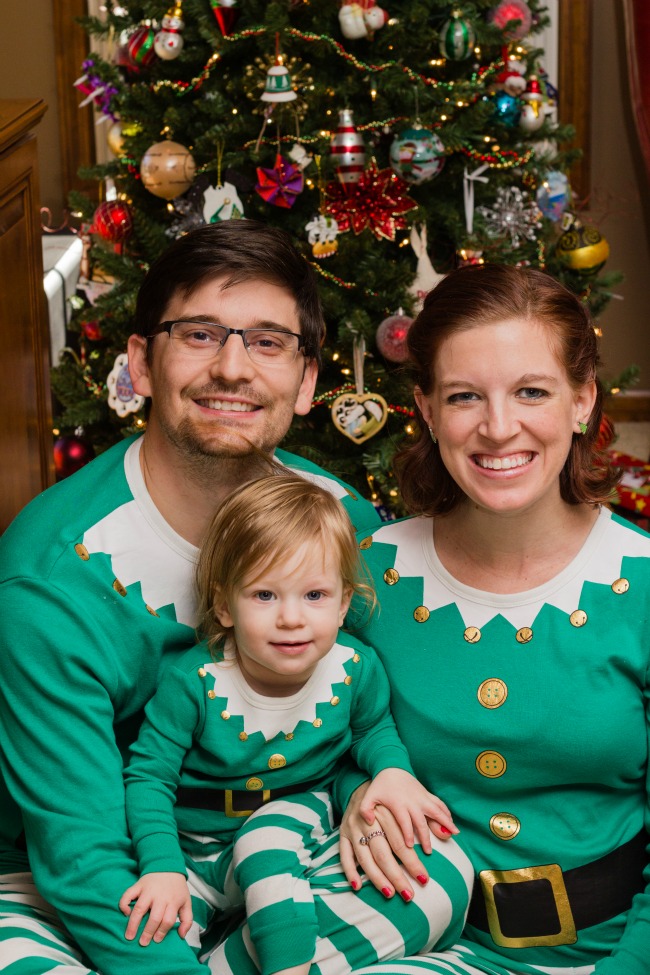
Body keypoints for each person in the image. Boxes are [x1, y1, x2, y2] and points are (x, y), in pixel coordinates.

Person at [0, 220, 387, 975]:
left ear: (308, 381)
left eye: (269, 341)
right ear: (142, 362)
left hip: (289, 843)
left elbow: (379, 713)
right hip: (108, 876)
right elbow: (81, 855)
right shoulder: (50, 577)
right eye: (202, 334)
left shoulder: (345, 524)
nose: (234, 369)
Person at [335, 263, 650, 975]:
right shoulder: (369, 573)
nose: (498, 427)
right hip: (416, 942)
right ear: (425, 408)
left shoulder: (642, 586)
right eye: (464, 396)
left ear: (582, 400)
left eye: (531, 391)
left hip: (613, 953)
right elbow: (306, 740)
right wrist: (359, 790)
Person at [118, 472, 470, 975]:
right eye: (264, 595)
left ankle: (288, 967)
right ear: (224, 605)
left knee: (265, 842)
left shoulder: (353, 666)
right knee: (158, 930)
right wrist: (162, 868)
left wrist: (393, 772)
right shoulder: (195, 681)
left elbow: (372, 731)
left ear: (344, 601)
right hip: (195, 843)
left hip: (298, 819)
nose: (291, 619)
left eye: (315, 596)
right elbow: (150, 777)